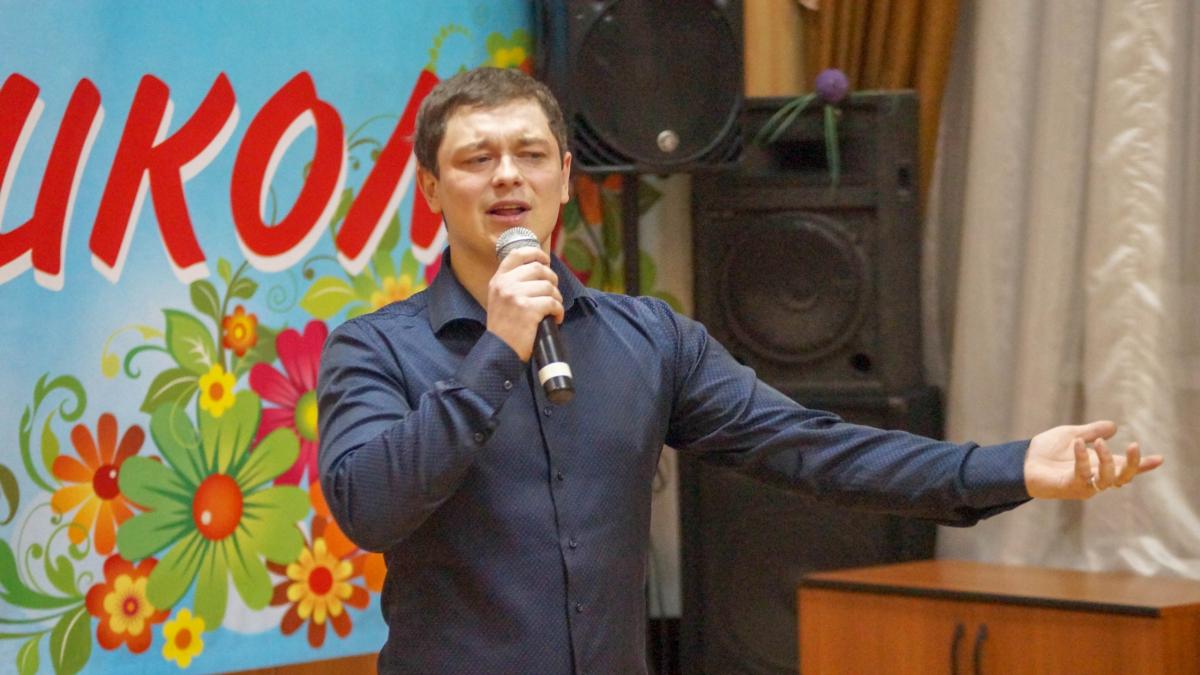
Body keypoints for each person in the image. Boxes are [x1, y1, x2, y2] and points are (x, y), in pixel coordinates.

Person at [316, 67, 1162, 674]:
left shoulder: (649, 339)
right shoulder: (376, 348)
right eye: (477, 158)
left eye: (531, 153)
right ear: (432, 188)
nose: (508, 174)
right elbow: (370, 507)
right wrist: (497, 351)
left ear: (565, 178)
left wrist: (1012, 465)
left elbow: (812, 446)